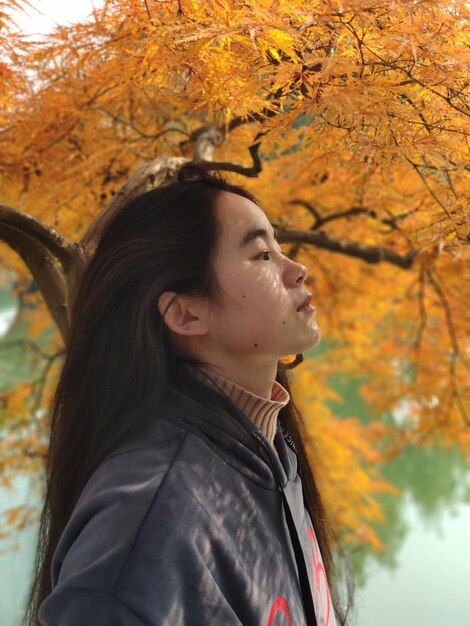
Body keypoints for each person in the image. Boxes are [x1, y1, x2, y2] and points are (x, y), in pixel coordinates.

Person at [25, 164, 345, 626]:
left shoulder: (271, 450)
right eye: (261, 256)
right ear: (186, 314)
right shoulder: (145, 530)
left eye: (279, 248)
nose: (298, 269)